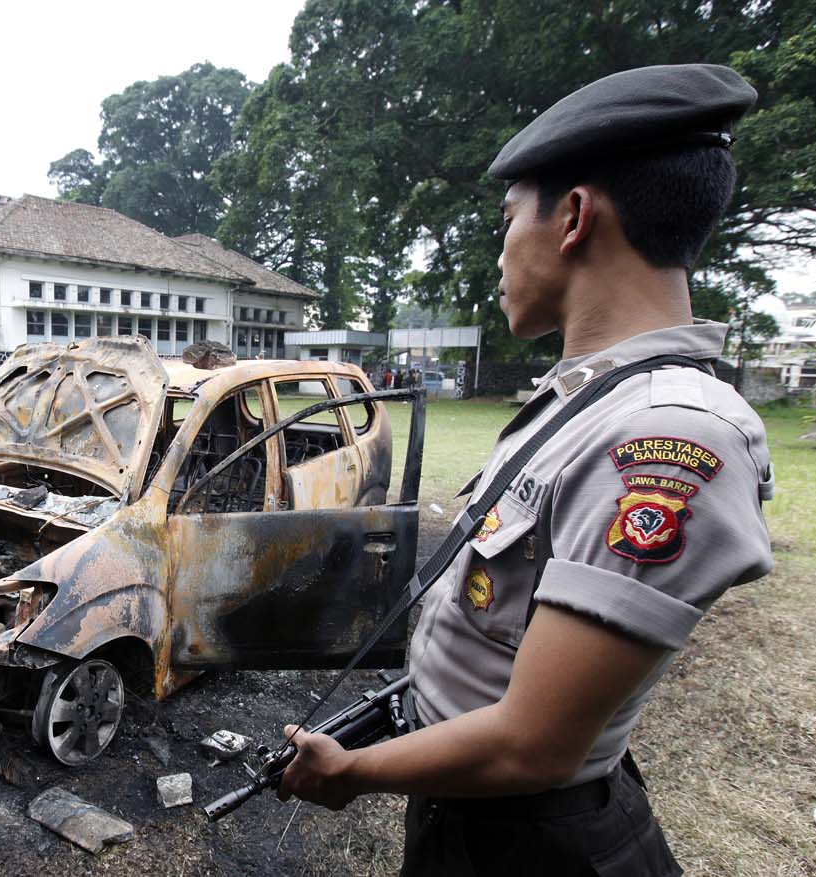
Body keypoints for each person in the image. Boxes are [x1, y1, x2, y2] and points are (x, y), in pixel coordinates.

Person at [276, 64, 774, 876]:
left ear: (573, 216)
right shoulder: (584, 403)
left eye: (506, 221)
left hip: (532, 841)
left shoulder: (664, 435)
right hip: (470, 808)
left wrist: (351, 772)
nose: (498, 254)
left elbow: (535, 745)